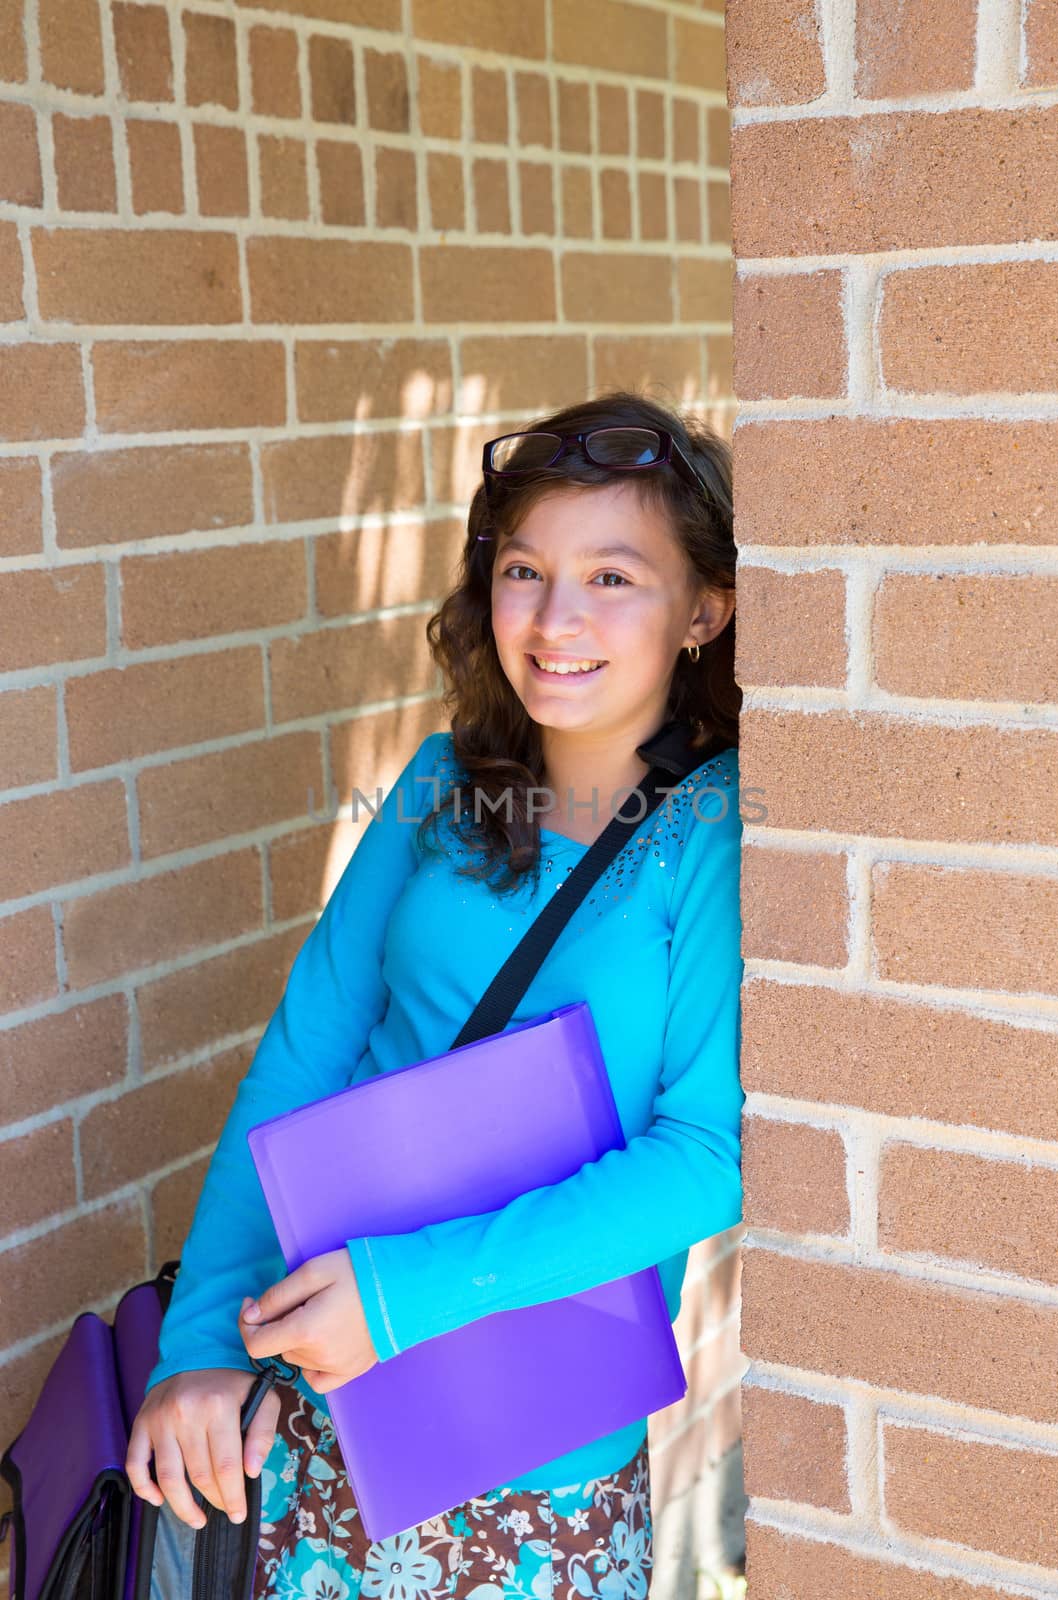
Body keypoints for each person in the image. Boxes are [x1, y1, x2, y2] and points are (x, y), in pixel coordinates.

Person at [126, 390, 746, 1599]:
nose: (555, 618)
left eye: (611, 577)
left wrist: (403, 1300)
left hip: (526, 1458)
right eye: (524, 569)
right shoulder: (435, 783)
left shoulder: (714, 832)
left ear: (703, 611)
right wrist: (198, 1343)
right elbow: (303, 1061)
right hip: (313, 1397)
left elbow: (706, 1154)